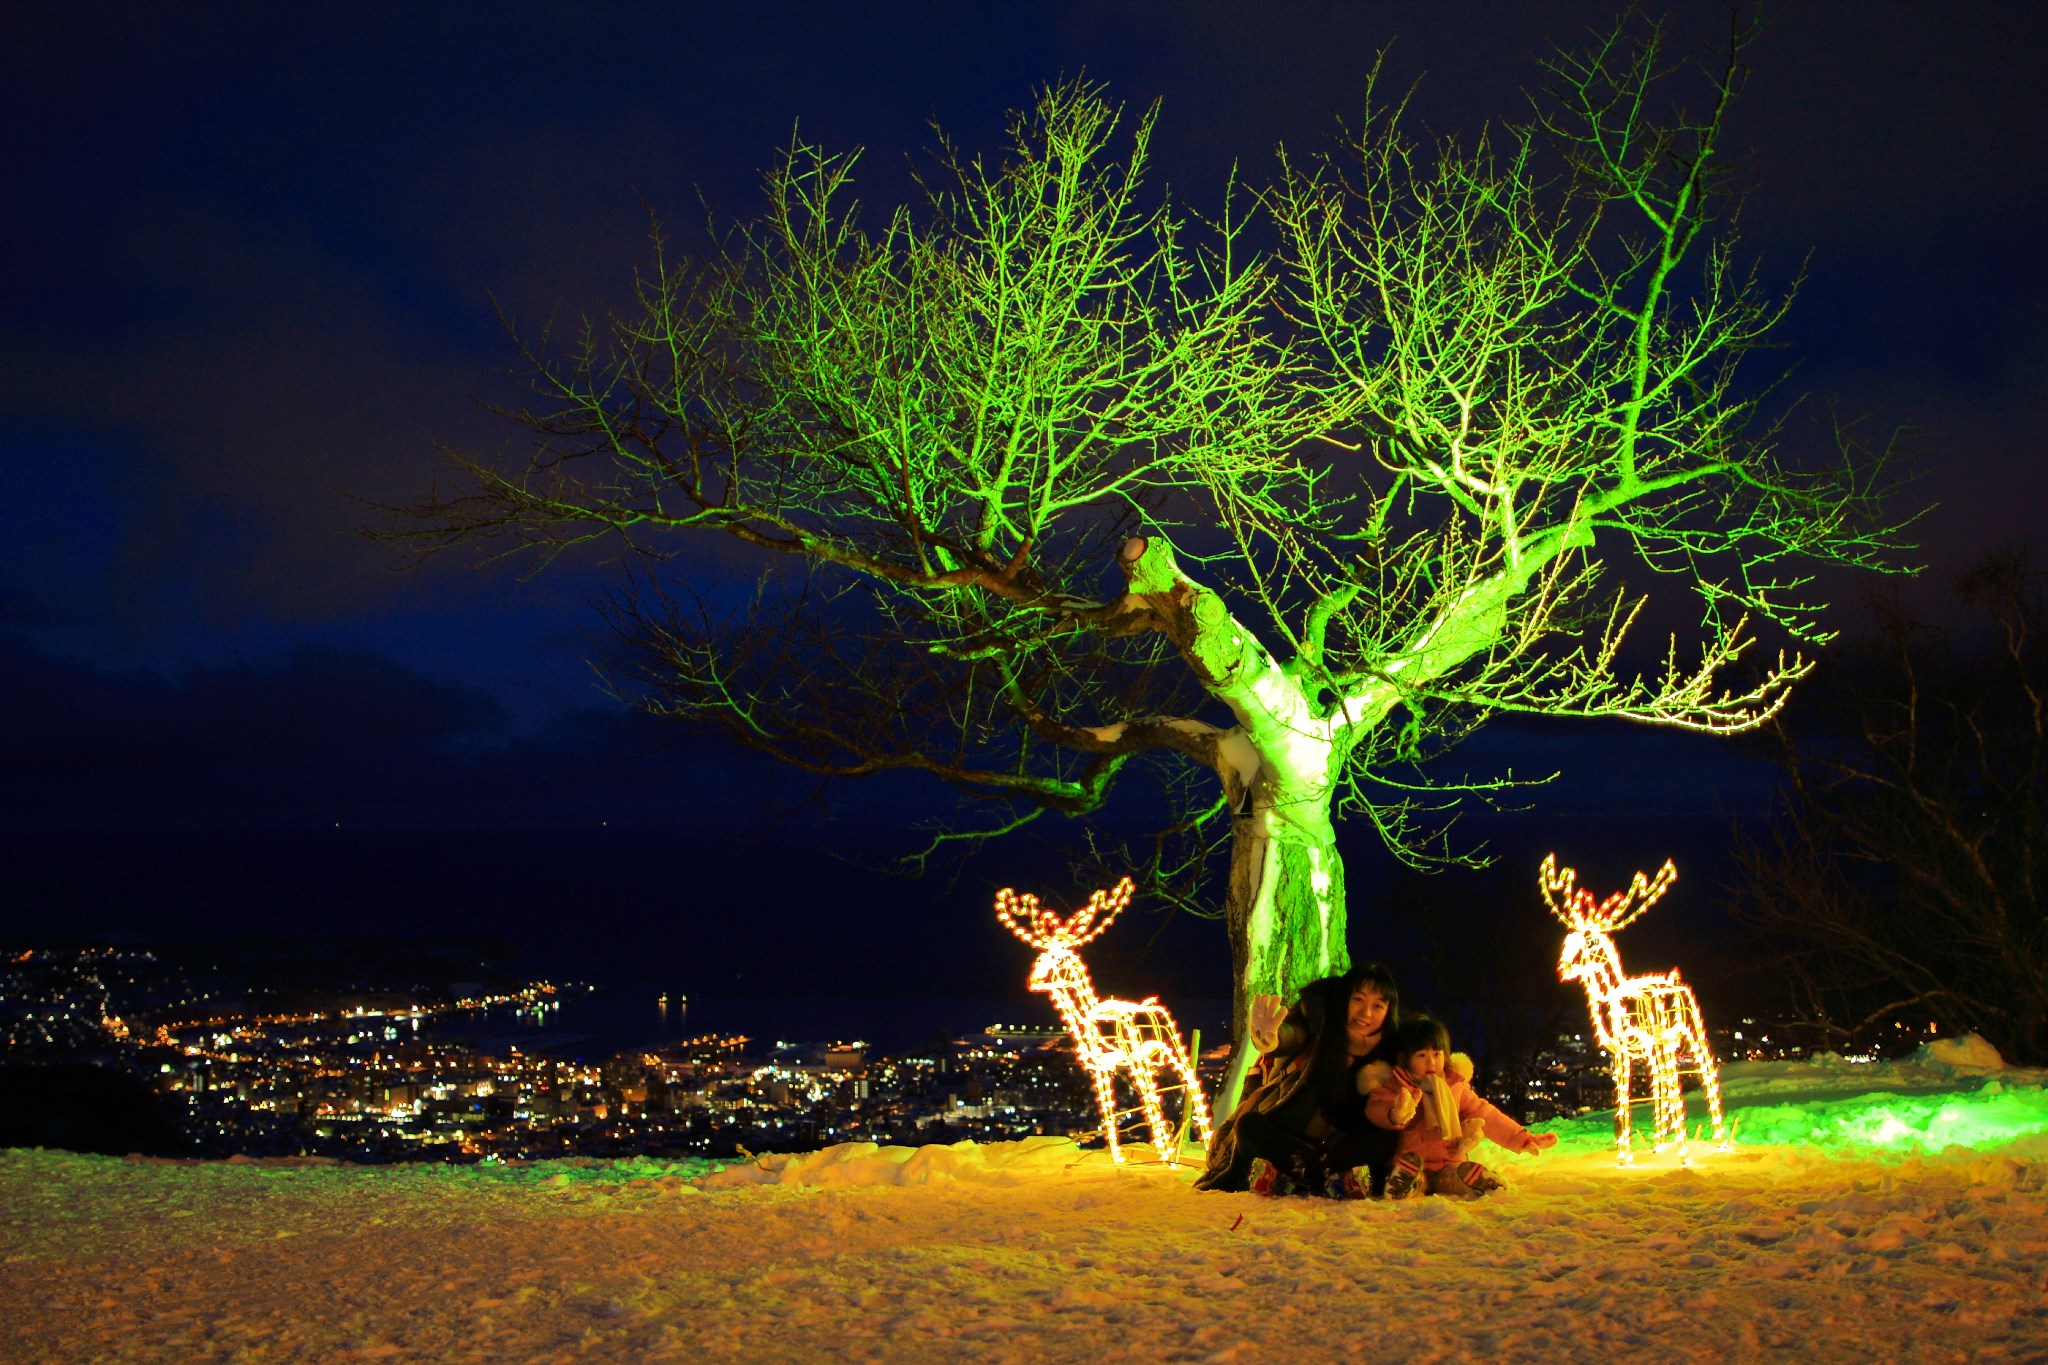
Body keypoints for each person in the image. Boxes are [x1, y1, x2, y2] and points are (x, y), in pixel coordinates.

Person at [1195, 962, 1403, 1198]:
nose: (1366, 1013)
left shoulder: (1392, 1052)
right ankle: (1318, 1176)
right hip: (1291, 1140)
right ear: (1343, 1000)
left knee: (1386, 1135)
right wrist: (1270, 1039)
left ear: (1388, 1012)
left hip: (1340, 1149)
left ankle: (1311, 1175)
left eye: (1378, 1005)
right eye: (1358, 1000)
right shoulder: (1317, 1024)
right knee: (1250, 1126)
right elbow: (1291, 1033)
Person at [1362, 1014, 1557, 1199]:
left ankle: (1479, 1180)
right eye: (1421, 1055)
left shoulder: (1454, 1086)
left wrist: (1521, 1138)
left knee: (1455, 1177)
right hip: (1413, 1160)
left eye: (1437, 1054)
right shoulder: (1396, 1085)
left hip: (1450, 1160)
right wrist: (1395, 1114)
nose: (1431, 1062)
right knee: (1416, 1178)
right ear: (1404, 1058)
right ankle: (1404, 1183)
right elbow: (1376, 1108)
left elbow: (1485, 1113)